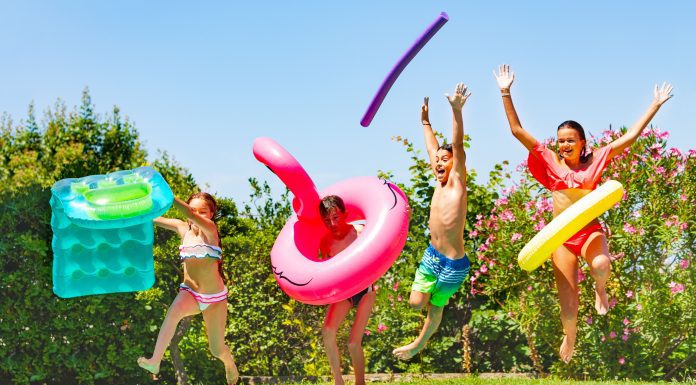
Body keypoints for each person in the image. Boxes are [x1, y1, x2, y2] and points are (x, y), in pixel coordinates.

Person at [493, 64, 673, 362]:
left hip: (589, 231)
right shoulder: (549, 160)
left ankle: (600, 290)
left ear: (582, 143)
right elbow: (516, 130)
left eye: (570, 140)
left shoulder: (596, 160)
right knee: (568, 305)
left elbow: (629, 138)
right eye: (561, 140)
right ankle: (570, 337)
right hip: (561, 238)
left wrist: (654, 105)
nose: (564, 145)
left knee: (601, 264)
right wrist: (505, 91)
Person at [393, 83, 472, 360]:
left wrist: (456, 111)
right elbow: (431, 147)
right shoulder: (438, 182)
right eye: (436, 160)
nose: (438, 162)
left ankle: (419, 343)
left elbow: (458, 145)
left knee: (435, 308)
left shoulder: (457, 184)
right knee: (416, 304)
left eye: (444, 159)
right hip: (432, 256)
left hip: (454, 264)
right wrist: (425, 121)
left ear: (455, 165)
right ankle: (420, 337)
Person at [137, 192, 239, 384]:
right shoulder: (182, 228)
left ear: (211, 214)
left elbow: (191, 214)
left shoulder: (210, 230)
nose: (198, 215)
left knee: (216, 350)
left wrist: (169, 196)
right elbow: (152, 218)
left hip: (215, 299)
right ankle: (155, 361)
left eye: (204, 211)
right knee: (172, 313)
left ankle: (229, 363)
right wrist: (134, 210)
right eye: (194, 210)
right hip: (190, 293)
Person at [318, 195, 376, 385]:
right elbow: (327, 271)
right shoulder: (326, 243)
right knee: (327, 331)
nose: (332, 223)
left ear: (345, 214)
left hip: (365, 289)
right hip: (344, 292)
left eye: (336, 217)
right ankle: (338, 381)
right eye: (327, 220)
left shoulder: (359, 232)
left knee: (353, 343)